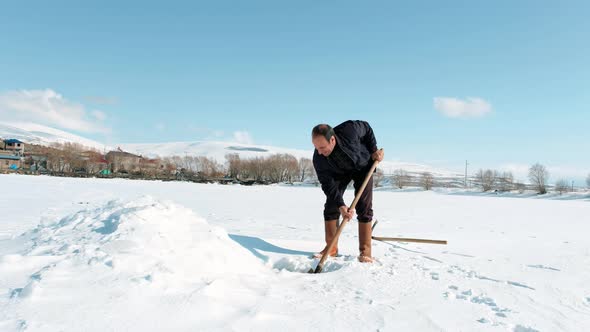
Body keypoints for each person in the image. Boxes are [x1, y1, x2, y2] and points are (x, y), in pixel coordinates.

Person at [311, 120, 384, 263]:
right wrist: (341, 205)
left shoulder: (350, 130)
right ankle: (331, 248)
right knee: (331, 206)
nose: (319, 151)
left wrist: (374, 151)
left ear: (332, 139)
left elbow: (367, 128)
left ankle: (365, 252)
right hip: (338, 173)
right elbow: (328, 185)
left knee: (364, 205)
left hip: (362, 167)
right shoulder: (319, 159)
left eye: (322, 147)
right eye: (316, 147)